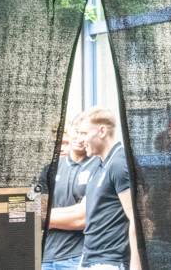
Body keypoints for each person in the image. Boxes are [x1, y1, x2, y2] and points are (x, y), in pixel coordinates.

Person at [77, 107, 140, 270]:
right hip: (88, 260)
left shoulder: (119, 163)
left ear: (102, 131)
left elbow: (136, 218)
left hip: (110, 261)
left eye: (84, 133)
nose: (81, 140)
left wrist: (135, 266)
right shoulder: (97, 165)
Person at [38, 113, 101, 270]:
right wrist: (70, 214)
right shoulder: (50, 169)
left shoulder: (100, 166)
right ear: (70, 131)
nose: (80, 138)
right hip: (45, 257)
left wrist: (46, 217)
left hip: (79, 258)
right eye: (77, 132)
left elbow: (83, 218)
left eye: (85, 133)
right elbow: (36, 214)